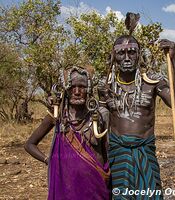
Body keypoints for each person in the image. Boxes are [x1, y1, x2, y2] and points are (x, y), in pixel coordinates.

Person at [98, 20, 175, 199]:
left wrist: (174, 60)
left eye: (131, 52)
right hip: (118, 156)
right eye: (121, 53)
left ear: (139, 55)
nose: (126, 57)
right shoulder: (106, 87)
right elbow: (101, 125)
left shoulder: (152, 82)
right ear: (113, 57)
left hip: (145, 154)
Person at [24, 65, 110, 200]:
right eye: (72, 87)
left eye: (81, 87)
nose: (77, 91)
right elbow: (29, 144)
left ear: (88, 89)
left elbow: (108, 152)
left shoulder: (100, 115)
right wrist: (49, 161)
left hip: (96, 187)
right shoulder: (57, 116)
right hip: (65, 189)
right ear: (65, 90)